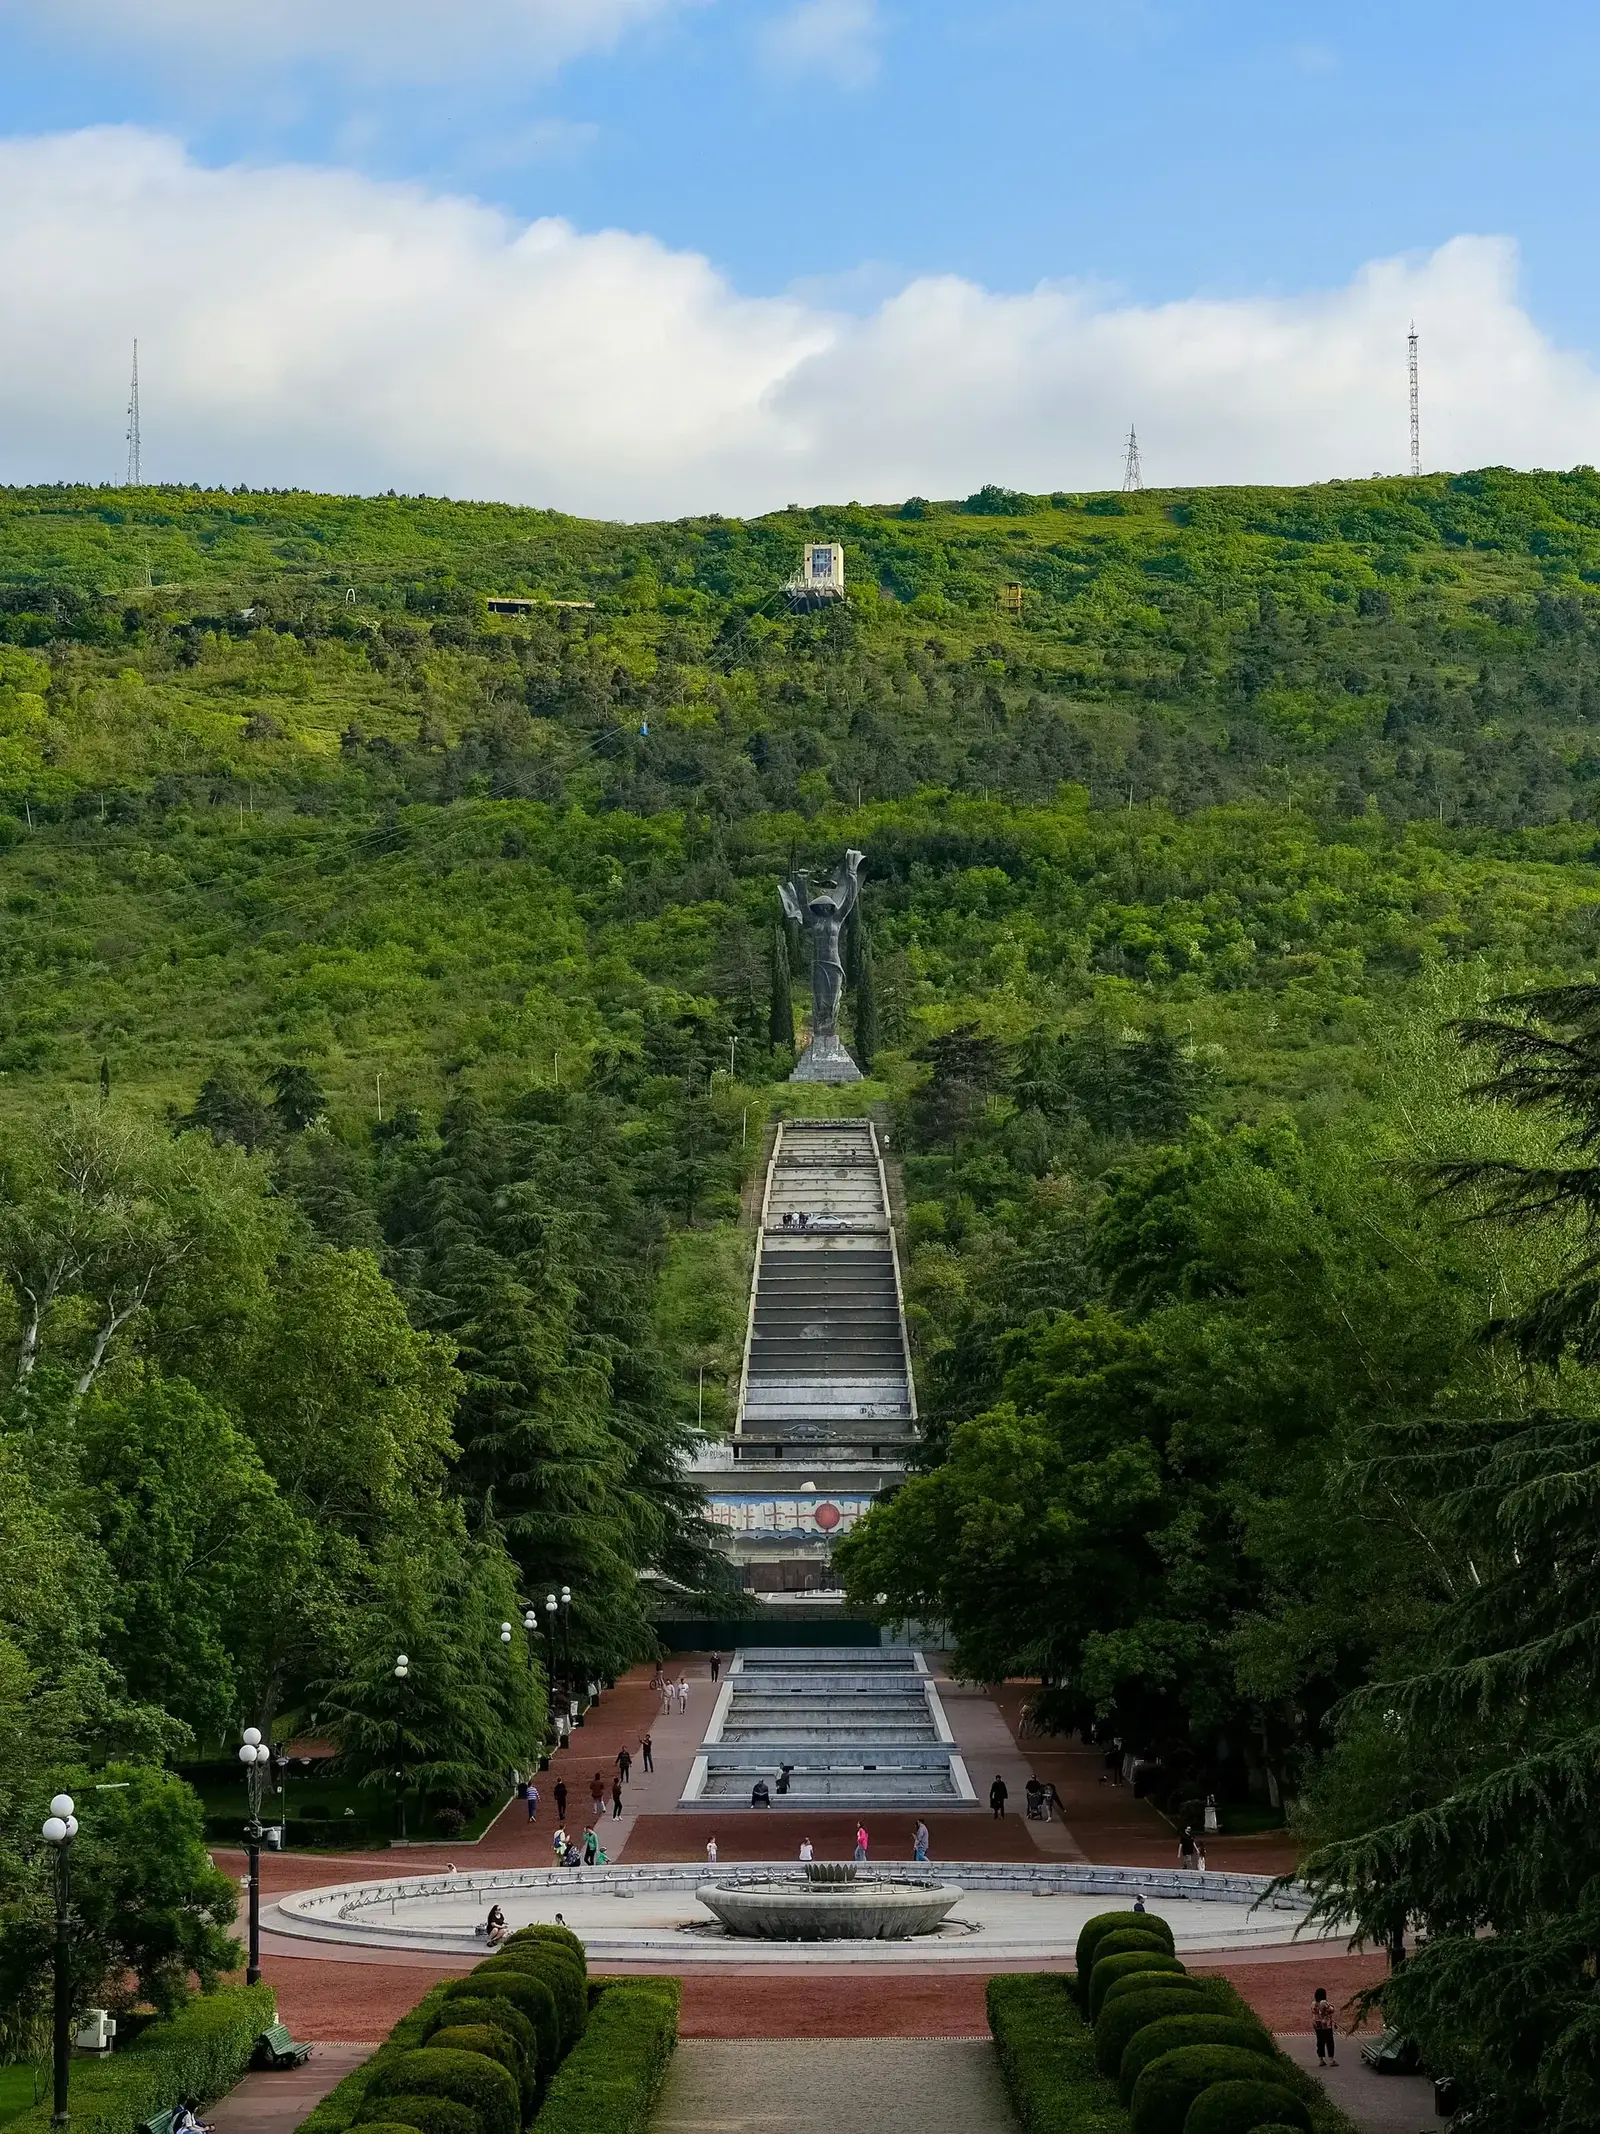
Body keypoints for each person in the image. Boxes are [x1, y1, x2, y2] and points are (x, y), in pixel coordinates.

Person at [1312, 1988, 1337, 2067]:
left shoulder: (1313, 2003)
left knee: (1320, 2042)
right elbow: (1331, 2010)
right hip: (1326, 2025)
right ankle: (1331, 2060)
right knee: (1329, 2042)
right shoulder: (1324, 2002)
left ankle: (1321, 2060)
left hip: (1317, 2025)